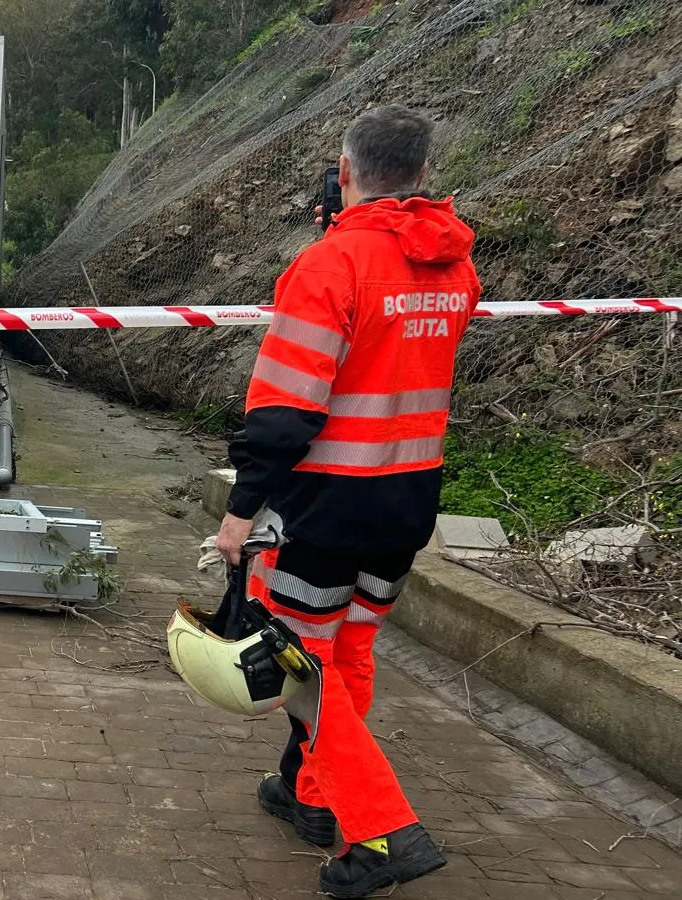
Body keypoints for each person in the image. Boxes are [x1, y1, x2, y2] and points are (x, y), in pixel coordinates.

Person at [214, 104, 482, 899]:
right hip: (407, 502)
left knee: (300, 668)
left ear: (344, 170)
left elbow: (284, 413)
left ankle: (383, 830)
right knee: (349, 652)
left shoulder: (330, 265)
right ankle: (310, 794)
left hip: (327, 508)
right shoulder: (456, 268)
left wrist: (240, 513)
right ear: (423, 174)